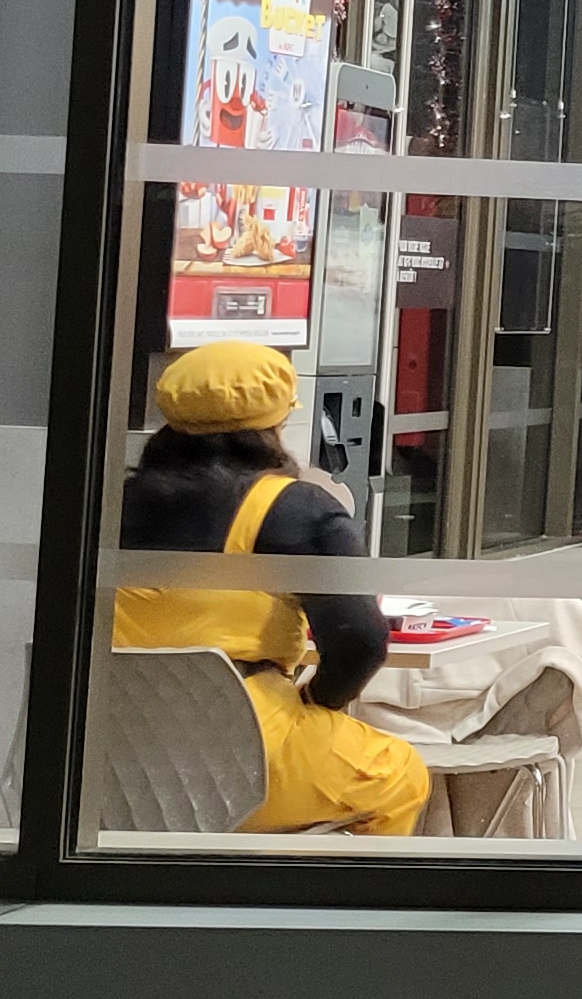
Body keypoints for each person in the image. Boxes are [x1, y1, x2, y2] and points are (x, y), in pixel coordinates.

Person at [111, 342, 431, 835]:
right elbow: (361, 640)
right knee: (399, 776)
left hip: (109, 752)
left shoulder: (110, 502)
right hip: (245, 759)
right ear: (277, 423)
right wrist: (318, 701)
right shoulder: (296, 510)